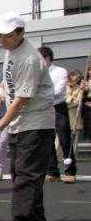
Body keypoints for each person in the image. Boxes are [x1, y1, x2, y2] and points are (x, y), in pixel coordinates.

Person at [0, 12, 55, 221]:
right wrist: (1, 87)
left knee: (26, 173)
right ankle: (36, 220)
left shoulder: (29, 59)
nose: (2, 40)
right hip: (19, 122)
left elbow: (21, 100)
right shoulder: (11, 51)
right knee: (21, 172)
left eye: (6, 35)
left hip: (35, 121)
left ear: (20, 33)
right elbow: (10, 79)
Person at [39, 46, 74, 183]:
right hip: (43, 108)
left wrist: (40, 93)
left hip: (58, 108)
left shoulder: (60, 71)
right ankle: (52, 171)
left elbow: (58, 91)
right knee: (47, 140)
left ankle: (70, 170)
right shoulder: (37, 73)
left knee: (65, 139)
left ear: (48, 58)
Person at [66, 69, 85, 161]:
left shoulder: (79, 88)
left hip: (74, 114)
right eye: (75, 77)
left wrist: (70, 102)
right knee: (61, 136)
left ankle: (73, 156)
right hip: (63, 114)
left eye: (78, 78)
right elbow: (62, 99)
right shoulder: (63, 86)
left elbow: (78, 101)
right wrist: (70, 99)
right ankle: (60, 155)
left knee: (75, 137)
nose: (77, 79)